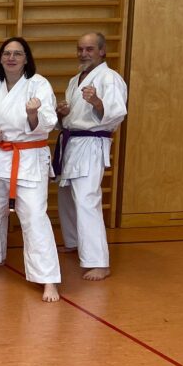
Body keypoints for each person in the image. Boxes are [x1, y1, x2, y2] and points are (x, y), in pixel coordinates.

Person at [0, 37, 61, 302]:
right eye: (7, 53)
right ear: (0, 58)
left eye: (17, 54)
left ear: (26, 59)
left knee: (34, 217)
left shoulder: (38, 84)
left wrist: (33, 115)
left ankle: (48, 278)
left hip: (28, 157)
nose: (11, 58)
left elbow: (48, 121)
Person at [55, 32, 128, 281]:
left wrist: (97, 102)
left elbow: (117, 113)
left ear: (102, 51)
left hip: (91, 143)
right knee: (67, 195)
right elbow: (70, 117)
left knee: (87, 199)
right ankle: (74, 242)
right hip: (72, 142)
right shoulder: (75, 79)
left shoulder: (110, 78)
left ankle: (99, 262)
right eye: (80, 49)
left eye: (89, 49)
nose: (83, 54)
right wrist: (62, 112)